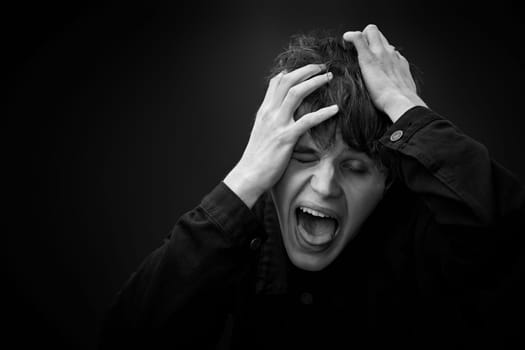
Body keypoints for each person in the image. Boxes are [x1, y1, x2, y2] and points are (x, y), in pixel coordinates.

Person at [99, 25, 525, 349]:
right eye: (303, 158)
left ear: (386, 181)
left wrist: (406, 109)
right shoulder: (231, 252)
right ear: (273, 162)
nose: (324, 187)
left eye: (355, 167)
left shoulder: (423, 236)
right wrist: (244, 177)